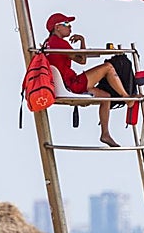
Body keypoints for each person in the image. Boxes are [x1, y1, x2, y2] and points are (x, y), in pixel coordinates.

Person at [43, 12, 134, 147]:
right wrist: (82, 40)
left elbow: (80, 59)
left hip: (65, 84)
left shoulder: (48, 43)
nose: (70, 28)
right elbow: (83, 60)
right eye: (66, 24)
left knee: (106, 96)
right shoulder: (59, 43)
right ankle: (126, 98)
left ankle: (105, 134)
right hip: (71, 84)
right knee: (108, 67)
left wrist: (81, 43)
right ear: (57, 27)